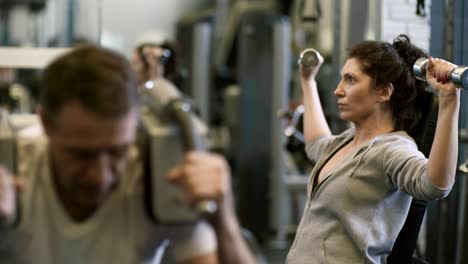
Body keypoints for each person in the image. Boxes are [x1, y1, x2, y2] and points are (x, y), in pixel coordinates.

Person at [0, 45, 255, 264]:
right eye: (81, 155)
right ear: (46, 124)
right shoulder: (11, 170)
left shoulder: (159, 173)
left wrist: (225, 222)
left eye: (117, 151)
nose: (100, 176)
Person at [286, 35, 461, 263]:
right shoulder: (347, 140)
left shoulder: (392, 149)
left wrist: (448, 99)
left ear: (383, 92)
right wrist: (308, 82)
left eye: (350, 80)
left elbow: (436, 185)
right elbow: (315, 143)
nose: (338, 91)